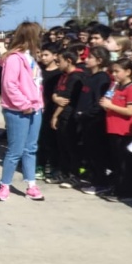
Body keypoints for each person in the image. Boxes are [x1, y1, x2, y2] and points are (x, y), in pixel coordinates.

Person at [0, 22, 45, 202]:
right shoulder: (14, 58)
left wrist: (38, 104)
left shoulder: (30, 57)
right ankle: (4, 185)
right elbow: (9, 85)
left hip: (35, 109)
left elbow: (35, 83)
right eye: (39, 35)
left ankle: (31, 185)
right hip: (17, 111)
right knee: (15, 150)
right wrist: (24, 104)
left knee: (31, 149)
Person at [99, 58, 132, 200]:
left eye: (117, 71)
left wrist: (110, 106)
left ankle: (125, 191)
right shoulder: (115, 85)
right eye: (113, 71)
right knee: (116, 161)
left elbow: (130, 111)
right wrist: (106, 104)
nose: (114, 74)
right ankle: (116, 187)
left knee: (125, 163)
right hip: (112, 127)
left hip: (124, 130)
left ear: (128, 72)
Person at [77, 47, 113, 195]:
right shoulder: (89, 76)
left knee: (97, 154)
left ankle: (101, 183)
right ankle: (94, 180)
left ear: (99, 60)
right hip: (85, 121)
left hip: (95, 122)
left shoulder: (102, 78)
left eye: (90, 57)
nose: (86, 59)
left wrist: (87, 114)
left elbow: (99, 102)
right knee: (89, 153)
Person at [51, 49, 86, 187]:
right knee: (62, 146)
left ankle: (74, 174)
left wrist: (55, 116)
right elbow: (56, 93)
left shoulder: (76, 77)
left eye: (59, 61)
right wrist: (54, 97)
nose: (57, 63)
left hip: (68, 115)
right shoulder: (63, 75)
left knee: (71, 146)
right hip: (60, 114)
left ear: (69, 61)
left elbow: (66, 100)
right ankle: (64, 172)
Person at [38, 43, 62, 180]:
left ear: (55, 56)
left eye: (46, 55)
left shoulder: (59, 73)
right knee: (40, 138)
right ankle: (40, 164)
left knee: (52, 140)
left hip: (52, 109)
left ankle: (53, 165)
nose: (43, 57)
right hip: (39, 108)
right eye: (42, 54)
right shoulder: (39, 70)